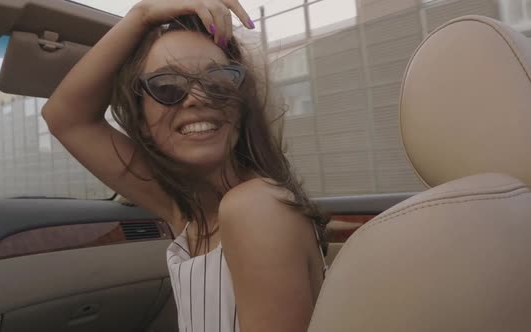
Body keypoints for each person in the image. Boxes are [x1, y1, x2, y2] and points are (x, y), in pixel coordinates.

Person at [42, 1, 328, 331]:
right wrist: (143, 14)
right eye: (167, 86)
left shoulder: (255, 208)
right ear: (142, 120)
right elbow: (64, 118)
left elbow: (65, 119)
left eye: (218, 82)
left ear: (240, 105)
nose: (197, 98)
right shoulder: (187, 211)